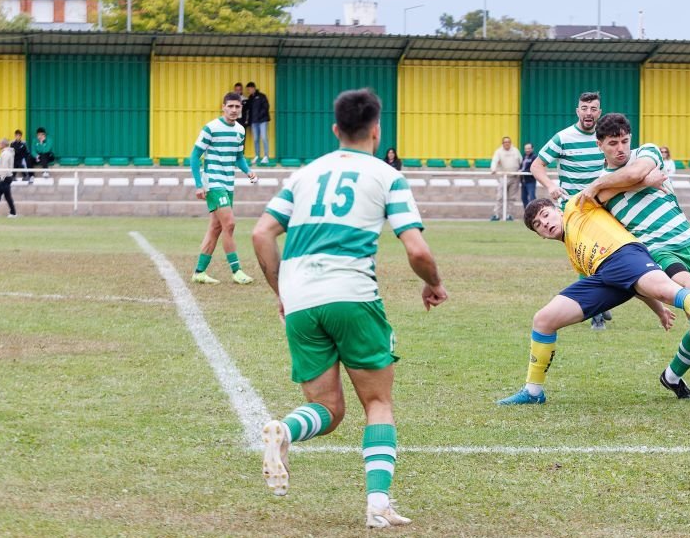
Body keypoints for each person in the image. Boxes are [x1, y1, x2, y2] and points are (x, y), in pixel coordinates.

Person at [251, 88, 447, 529]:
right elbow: (415, 249)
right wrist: (434, 283)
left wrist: (283, 291)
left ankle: (284, 429)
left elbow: (262, 234)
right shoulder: (386, 175)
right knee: (377, 402)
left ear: (335, 130)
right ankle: (378, 504)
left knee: (328, 410)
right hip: (352, 293)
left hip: (301, 300)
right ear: (376, 130)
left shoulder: (304, 175)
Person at [497, 196, 690, 405]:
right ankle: (533, 392)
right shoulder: (574, 254)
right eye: (539, 226)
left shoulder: (577, 204)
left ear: (557, 209)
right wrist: (658, 310)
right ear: (540, 236)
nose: (545, 224)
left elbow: (606, 185)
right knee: (543, 320)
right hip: (604, 276)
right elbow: (630, 286)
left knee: (671, 290)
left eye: (546, 215)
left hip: (622, 254)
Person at [580, 114, 690, 398]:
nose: (621, 148)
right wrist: (640, 181)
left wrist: (602, 185)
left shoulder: (647, 151)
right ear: (600, 145)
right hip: (657, 248)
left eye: (624, 141)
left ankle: (671, 377)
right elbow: (634, 178)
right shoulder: (599, 185)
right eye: (612, 143)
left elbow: (633, 174)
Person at [530, 92, 612, 328]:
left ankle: (602, 304)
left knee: (605, 255)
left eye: (593, 108)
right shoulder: (563, 137)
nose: (589, 112)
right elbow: (537, 165)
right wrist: (551, 185)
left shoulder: (603, 138)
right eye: (584, 108)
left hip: (603, 208)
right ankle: (595, 313)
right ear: (577, 111)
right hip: (574, 209)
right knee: (587, 256)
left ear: (599, 112)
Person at [189, 92, 258, 285]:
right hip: (214, 183)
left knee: (216, 227)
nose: (234, 110)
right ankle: (237, 271)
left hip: (228, 183)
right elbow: (194, 157)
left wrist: (248, 171)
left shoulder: (240, 131)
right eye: (231, 106)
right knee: (229, 224)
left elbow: (238, 157)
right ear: (223, 107)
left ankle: (199, 272)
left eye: (238, 107)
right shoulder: (211, 128)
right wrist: (198, 184)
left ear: (241, 109)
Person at [490, 136, 522, 221]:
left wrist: (520, 171)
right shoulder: (499, 151)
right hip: (503, 177)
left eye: (508, 142)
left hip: (514, 177)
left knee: (512, 198)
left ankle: (509, 215)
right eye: (505, 142)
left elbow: (521, 161)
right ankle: (496, 215)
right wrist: (493, 169)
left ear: (510, 143)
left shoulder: (515, 151)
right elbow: (494, 161)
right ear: (503, 143)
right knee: (500, 196)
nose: (507, 144)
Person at [245, 81, 272, 165]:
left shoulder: (262, 96)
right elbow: (248, 109)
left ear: (253, 88)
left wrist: (259, 116)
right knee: (256, 139)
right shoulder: (250, 98)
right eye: (248, 90)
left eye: (249, 89)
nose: (248, 91)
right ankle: (257, 155)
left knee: (264, 138)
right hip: (254, 122)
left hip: (262, 121)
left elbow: (266, 107)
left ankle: (266, 156)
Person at [519, 142, 538, 211]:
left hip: (530, 181)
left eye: (529, 148)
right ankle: (527, 213)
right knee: (523, 198)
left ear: (532, 149)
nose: (527, 150)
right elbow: (522, 166)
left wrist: (522, 171)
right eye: (526, 148)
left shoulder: (534, 157)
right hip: (523, 181)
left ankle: (534, 212)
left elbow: (532, 168)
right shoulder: (524, 156)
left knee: (532, 198)